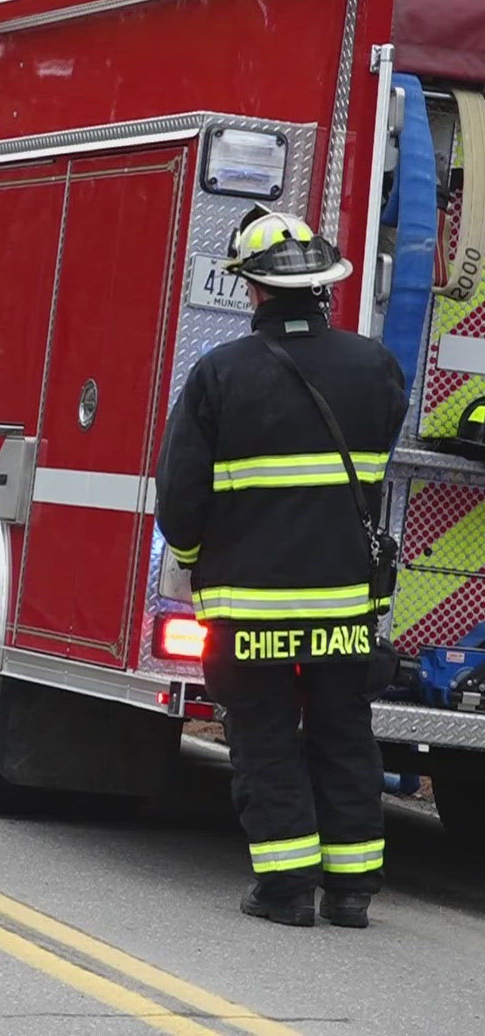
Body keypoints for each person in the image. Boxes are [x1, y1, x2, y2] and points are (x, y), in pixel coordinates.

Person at [156, 207, 407, 929]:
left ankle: (286, 887)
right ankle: (353, 890)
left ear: (252, 289)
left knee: (263, 734)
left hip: (249, 604)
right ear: (322, 287)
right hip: (344, 606)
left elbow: (182, 497)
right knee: (344, 729)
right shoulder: (374, 366)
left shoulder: (220, 374)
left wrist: (195, 561)